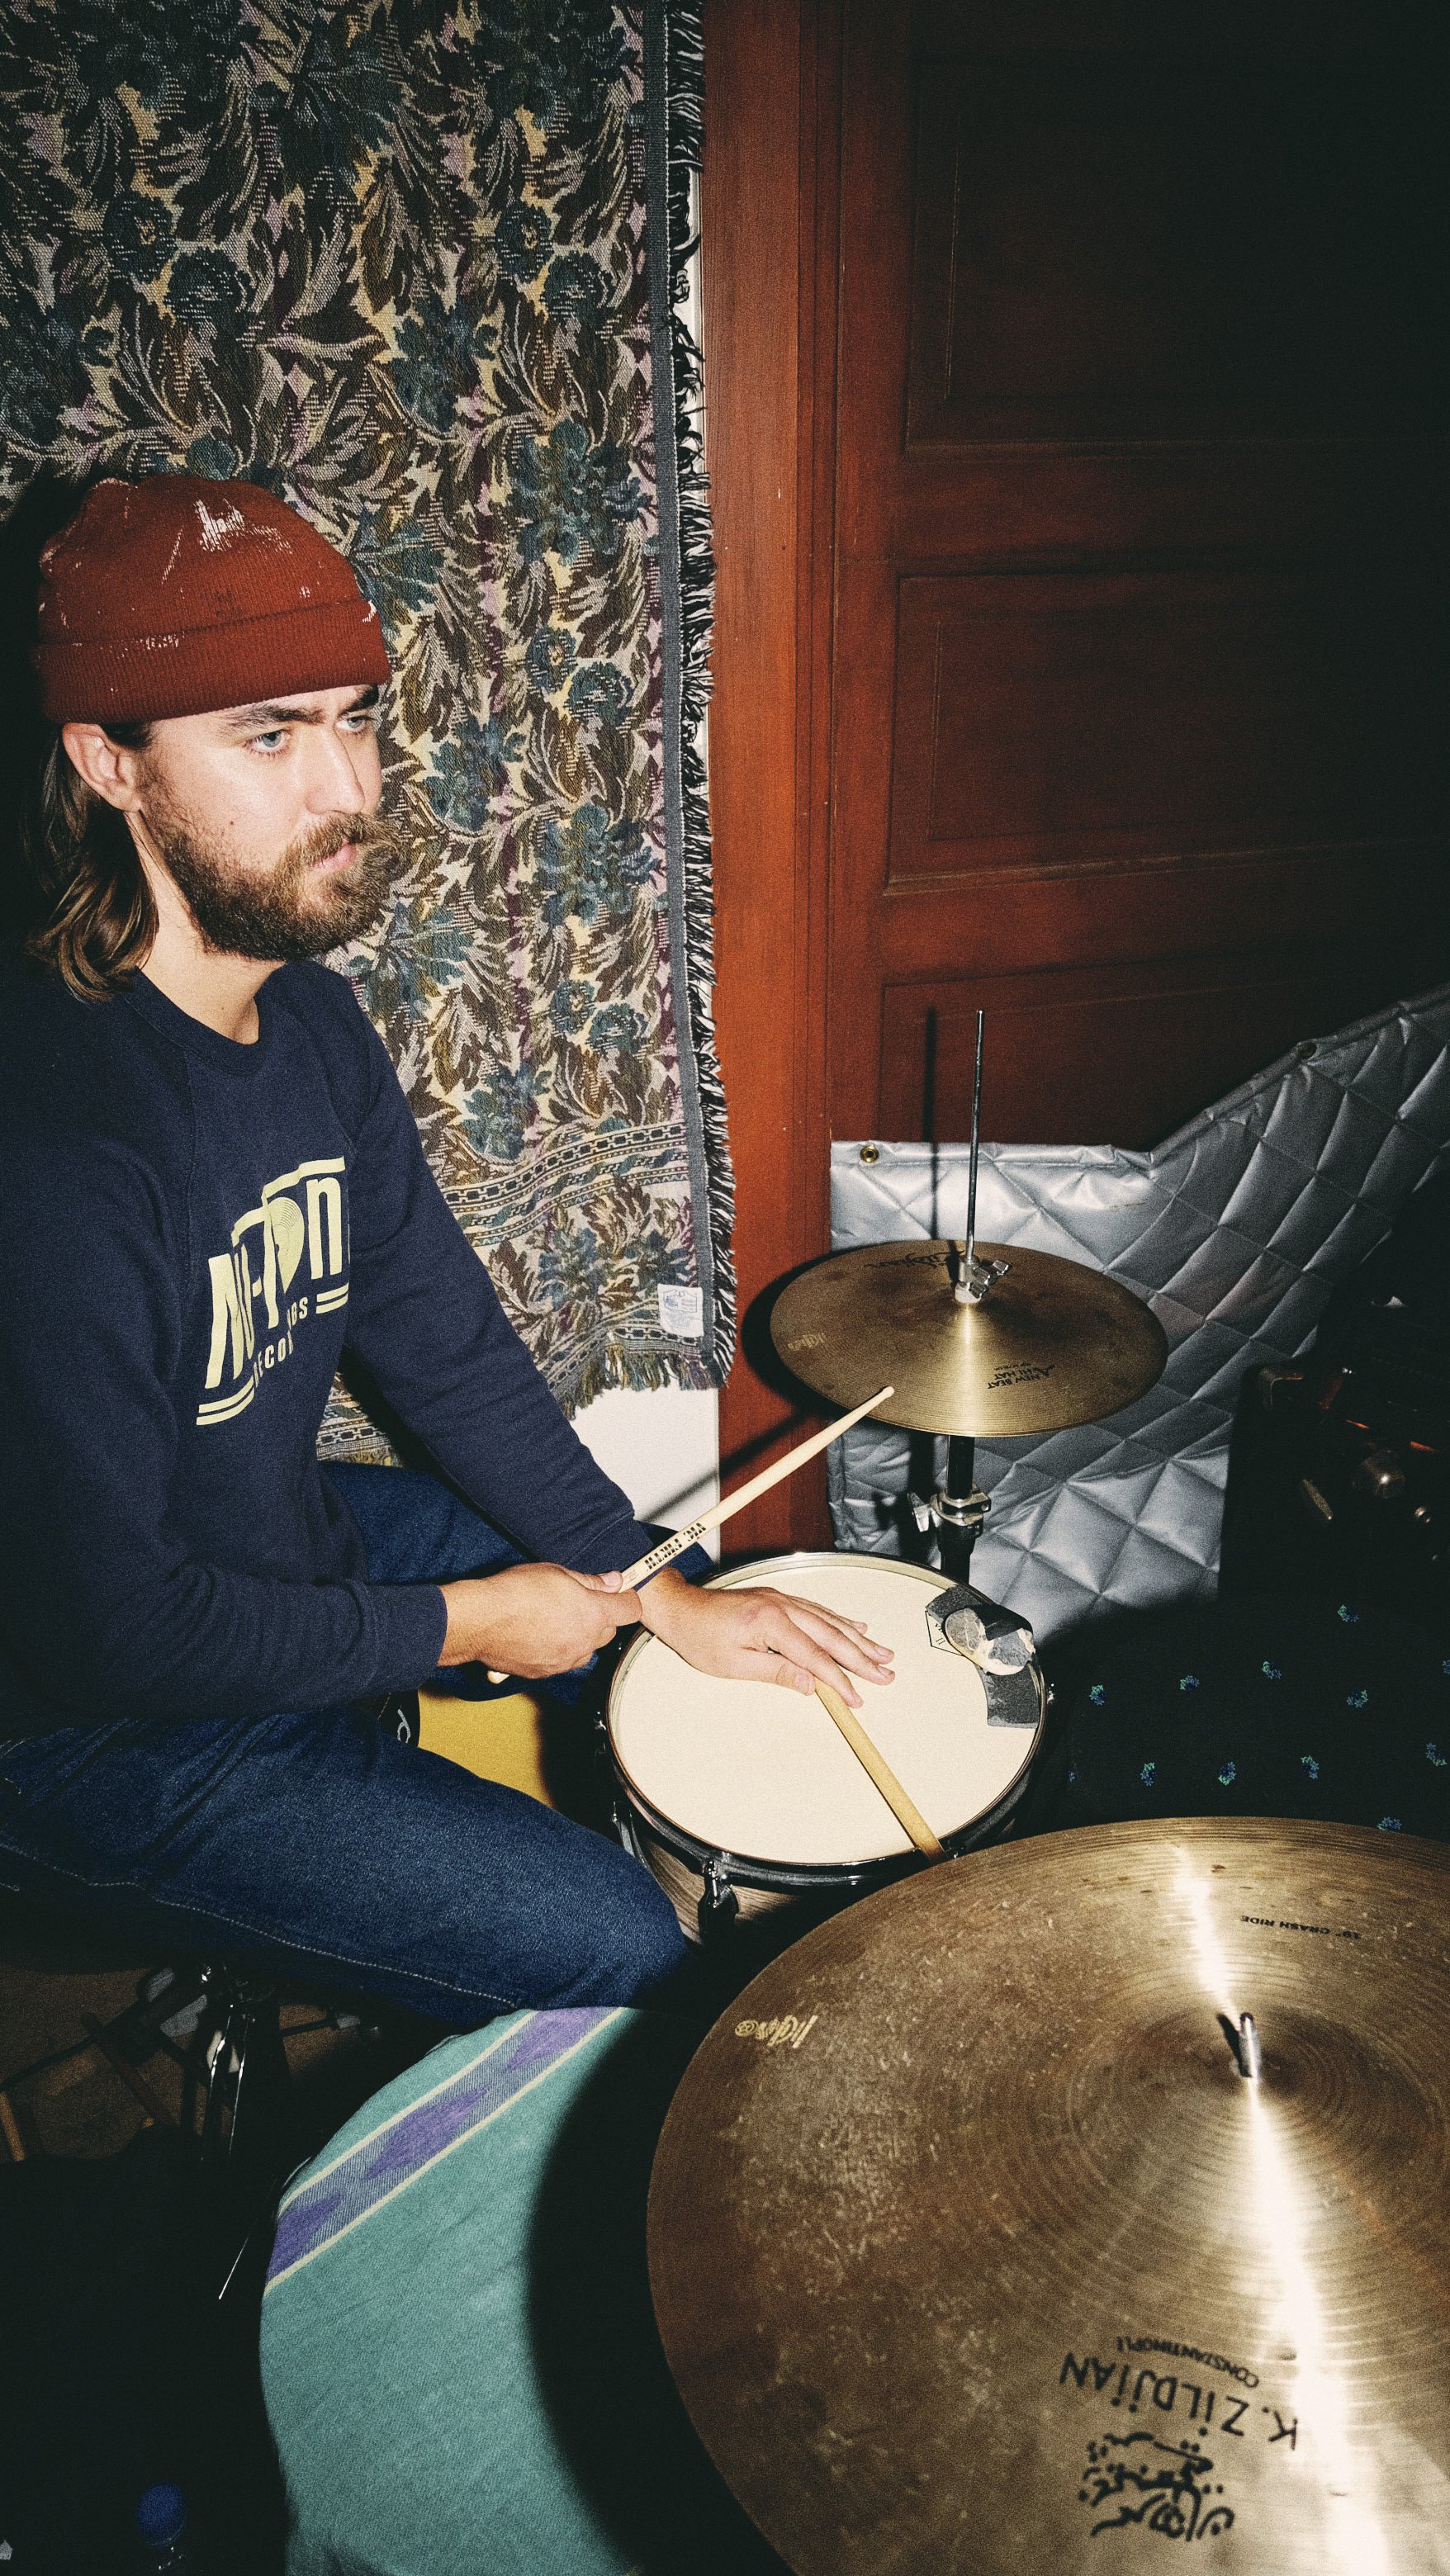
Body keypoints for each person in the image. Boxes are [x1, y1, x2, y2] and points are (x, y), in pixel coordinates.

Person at [0, 475, 892, 2021]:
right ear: (109, 766)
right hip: (86, 1728)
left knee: (650, 1613)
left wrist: (653, 1582)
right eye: (267, 734)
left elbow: (441, 1342)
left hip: (269, 1548)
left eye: (355, 717)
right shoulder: (57, 1155)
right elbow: (114, 1636)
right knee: (616, 1945)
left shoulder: (312, 1022)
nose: (346, 786)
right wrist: (469, 1624)